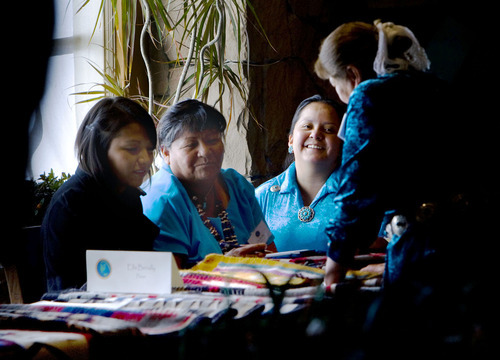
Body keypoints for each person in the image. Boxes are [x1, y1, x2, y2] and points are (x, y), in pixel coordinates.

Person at [315, 21, 465, 286]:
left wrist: (332, 272)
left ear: (352, 75)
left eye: (334, 84)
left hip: (422, 255)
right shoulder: (436, 88)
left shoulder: (368, 96)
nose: (339, 96)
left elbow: (355, 194)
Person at [42, 97, 160, 292]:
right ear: (100, 148)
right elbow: (63, 292)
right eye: (132, 149)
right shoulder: (69, 205)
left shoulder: (128, 196)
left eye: (149, 150)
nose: (146, 159)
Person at [141, 99, 274, 268]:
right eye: (191, 144)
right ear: (166, 153)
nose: (205, 152)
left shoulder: (237, 186)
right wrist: (223, 266)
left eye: (212, 140)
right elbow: (173, 282)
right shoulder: (162, 200)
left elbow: (267, 251)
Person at [255, 95, 343, 252]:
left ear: (342, 143)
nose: (315, 134)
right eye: (307, 126)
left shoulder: (359, 196)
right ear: (290, 140)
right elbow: (251, 258)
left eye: (329, 129)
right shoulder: (263, 197)